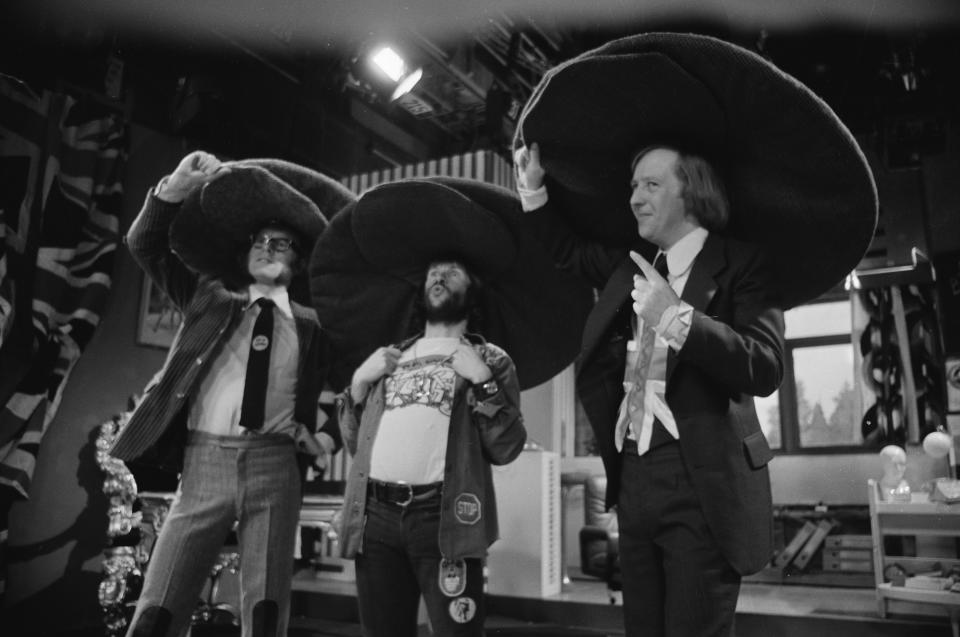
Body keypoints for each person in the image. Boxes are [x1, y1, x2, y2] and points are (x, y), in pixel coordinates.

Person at [514, 142, 785, 636]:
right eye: (633, 186)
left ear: (693, 191)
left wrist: (678, 319)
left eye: (651, 184)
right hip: (634, 476)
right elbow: (568, 252)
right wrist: (533, 188)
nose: (636, 197)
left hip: (702, 482)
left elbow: (764, 367)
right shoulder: (632, 265)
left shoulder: (742, 264)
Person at [109, 150, 348, 637]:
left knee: (265, 606)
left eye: (280, 243)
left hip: (275, 464)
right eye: (259, 241)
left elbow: (357, 384)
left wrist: (325, 438)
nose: (266, 248)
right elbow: (145, 245)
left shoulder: (315, 326)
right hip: (203, 461)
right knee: (160, 599)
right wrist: (172, 189)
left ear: (298, 260)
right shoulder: (208, 296)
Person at [336, 255, 526, 637]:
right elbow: (357, 445)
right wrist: (358, 383)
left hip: (445, 519)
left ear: (472, 292)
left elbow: (506, 447)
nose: (439, 275)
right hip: (376, 517)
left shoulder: (490, 359)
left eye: (452, 271)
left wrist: (483, 381)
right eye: (432, 271)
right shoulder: (390, 358)